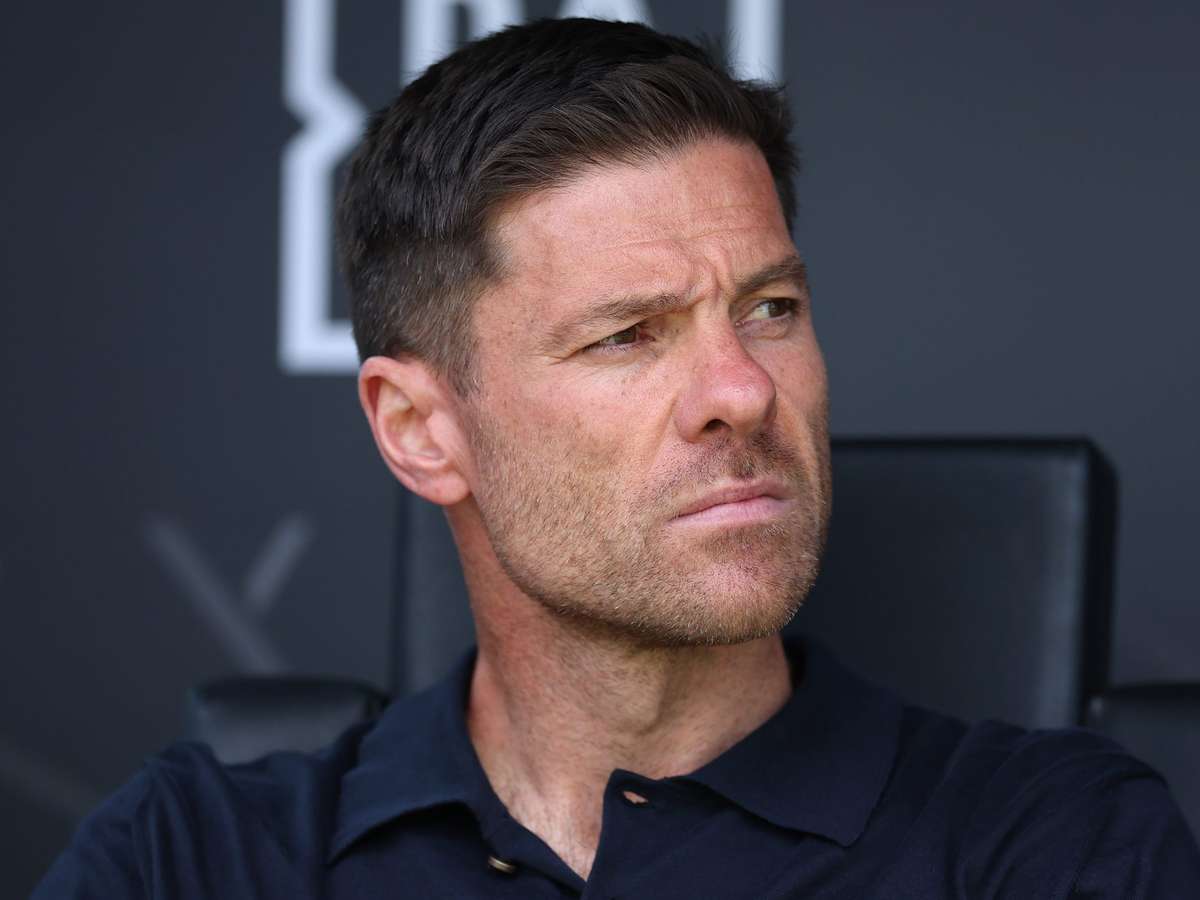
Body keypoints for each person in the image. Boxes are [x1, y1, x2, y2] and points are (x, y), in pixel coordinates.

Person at [35, 17, 1200, 899]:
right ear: (421, 429)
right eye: (628, 336)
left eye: (771, 308)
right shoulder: (197, 857)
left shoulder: (1051, 847)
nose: (742, 391)